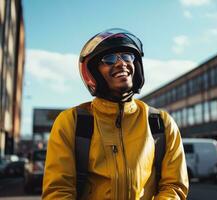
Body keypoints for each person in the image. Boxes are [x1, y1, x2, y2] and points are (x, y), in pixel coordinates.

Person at [42, 28, 189, 200]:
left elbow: (174, 186)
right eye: (109, 59)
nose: (121, 63)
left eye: (127, 56)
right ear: (93, 73)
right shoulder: (71, 122)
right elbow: (58, 191)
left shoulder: (161, 123)